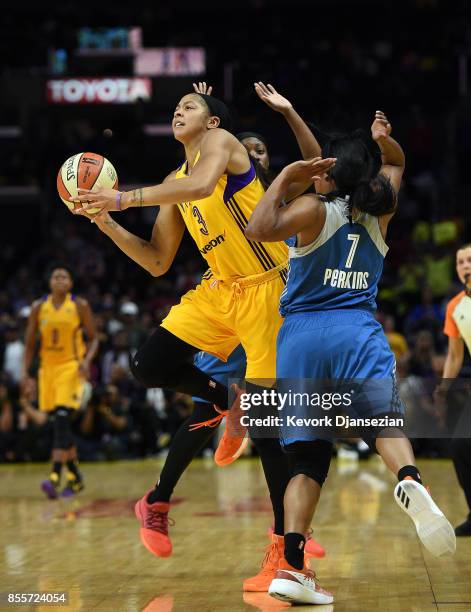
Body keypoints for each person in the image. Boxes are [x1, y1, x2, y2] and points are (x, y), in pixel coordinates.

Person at [73, 84, 331, 582]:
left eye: (190, 107)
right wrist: (107, 222)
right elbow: (156, 260)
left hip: (268, 292)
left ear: (213, 123)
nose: (179, 110)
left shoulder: (223, 145)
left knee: (266, 430)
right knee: (150, 366)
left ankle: (282, 549)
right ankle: (219, 400)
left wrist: (124, 197)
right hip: (220, 291)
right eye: (177, 107)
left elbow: (200, 185)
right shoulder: (174, 179)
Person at [246, 111, 455, 605]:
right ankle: (410, 481)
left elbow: (257, 228)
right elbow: (398, 164)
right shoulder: (379, 211)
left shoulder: (312, 210)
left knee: (307, 459)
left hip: (300, 339)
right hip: (356, 330)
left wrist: (285, 177)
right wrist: (385, 140)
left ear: (330, 174)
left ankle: (292, 566)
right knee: (384, 423)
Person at [21, 265, 98, 498]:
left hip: (70, 367)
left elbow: (94, 339)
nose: (60, 280)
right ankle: (75, 477)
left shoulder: (79, 305)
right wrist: (26, 375)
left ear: (71, 283)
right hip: (47, 370)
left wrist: (86, 361)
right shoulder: (38, 307)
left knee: (62, 418)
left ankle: (54, 476)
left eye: (65, 276)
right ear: (50, 283)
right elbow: (30, 344)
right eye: (56, 276)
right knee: (58, 422)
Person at [434, 244, 471, 536]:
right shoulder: (455, 307)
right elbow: (454, 355)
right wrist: (443, 389)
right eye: (461, 261)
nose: (466, 265)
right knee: (461, 446)